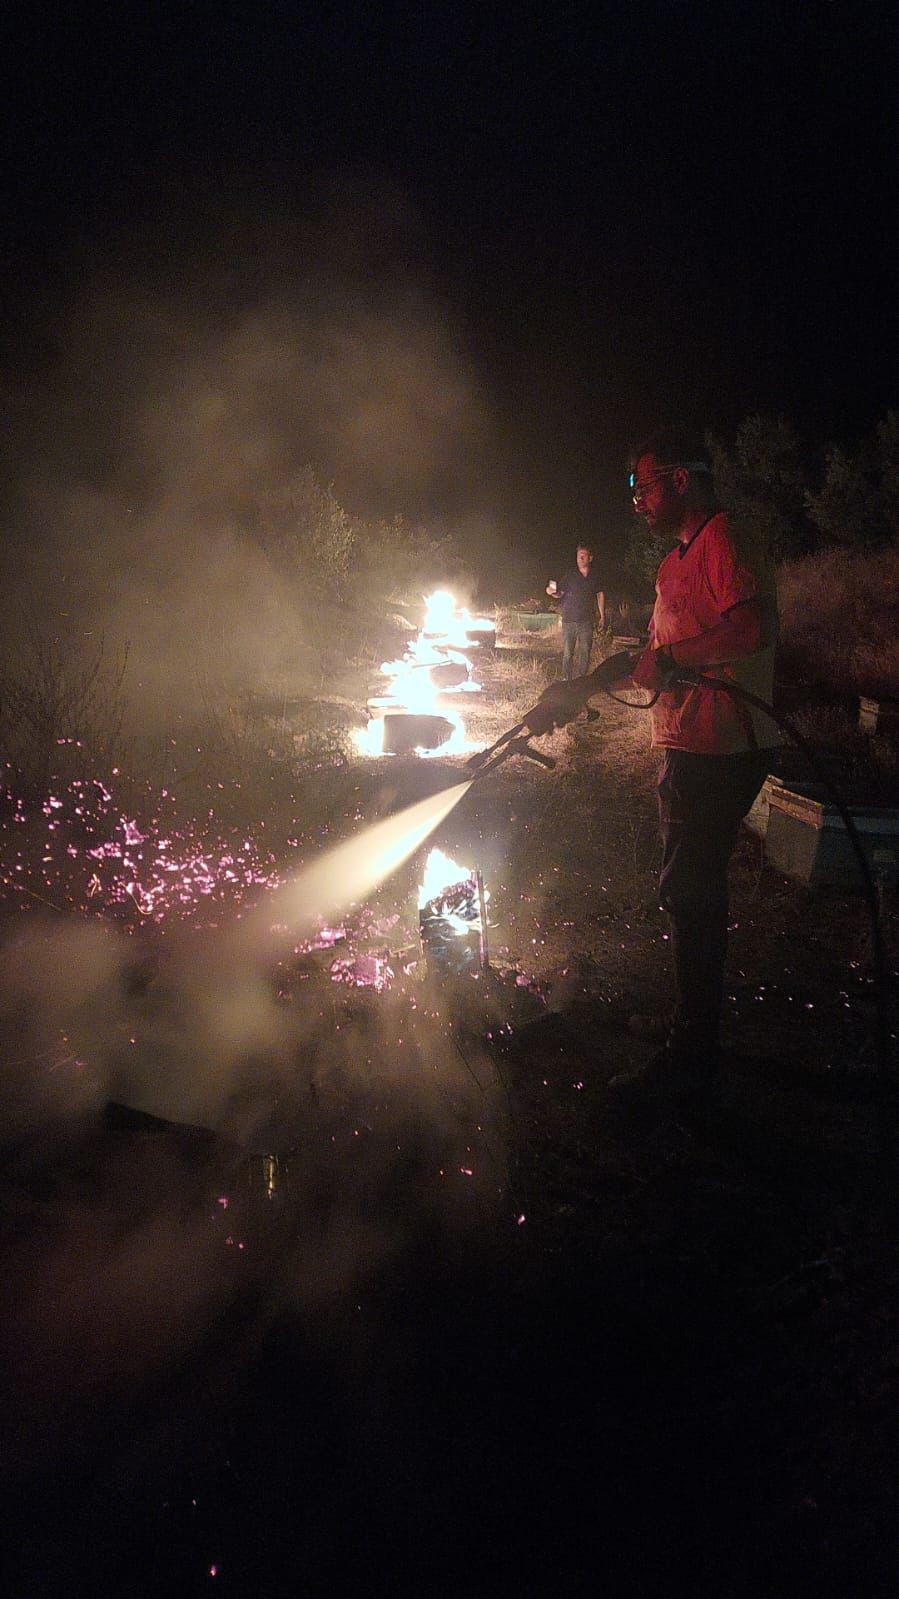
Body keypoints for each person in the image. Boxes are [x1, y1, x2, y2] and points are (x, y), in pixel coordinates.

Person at [528, 429, 779, 1095]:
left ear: (678, 479)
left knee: (691, 891)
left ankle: (692, 1054)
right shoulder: (674, 564)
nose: (635, 498)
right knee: (684, 887)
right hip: (686, 742)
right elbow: (647, 654)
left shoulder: (725, 538)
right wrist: (576, 689)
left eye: (642, 484)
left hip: (724, 743)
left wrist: (673, 659)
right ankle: (686, 1024)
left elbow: (750, 628)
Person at [547, 545, 606, 680]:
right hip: (569, 620)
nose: (580, 558)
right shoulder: (570, 575)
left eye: (583, 555)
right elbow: (559, 593)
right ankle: (566, 680)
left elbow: (600, 595)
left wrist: (603, 616)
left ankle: (581, 681)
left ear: (590, 558)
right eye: (579, 555)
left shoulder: (595, 576)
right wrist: (552, 592)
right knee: (568, 653)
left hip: (586, 621)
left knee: (585, 652)